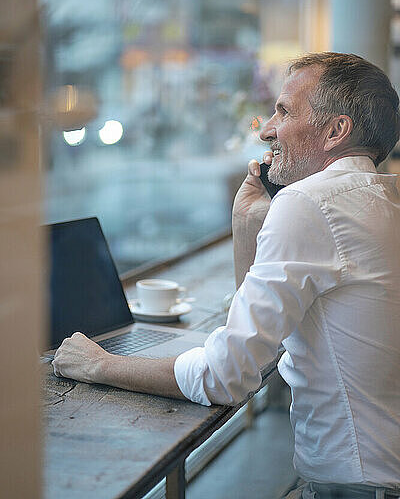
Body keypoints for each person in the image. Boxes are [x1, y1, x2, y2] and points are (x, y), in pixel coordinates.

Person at [53, 53, 400, 498]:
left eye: (285, 111)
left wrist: (100, 364)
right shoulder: (381, 199)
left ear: (336, 131)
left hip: (354, 487)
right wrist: (248, 225)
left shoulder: (310, 203)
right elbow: (260, 342)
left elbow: (227, 376)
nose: (267, 129)